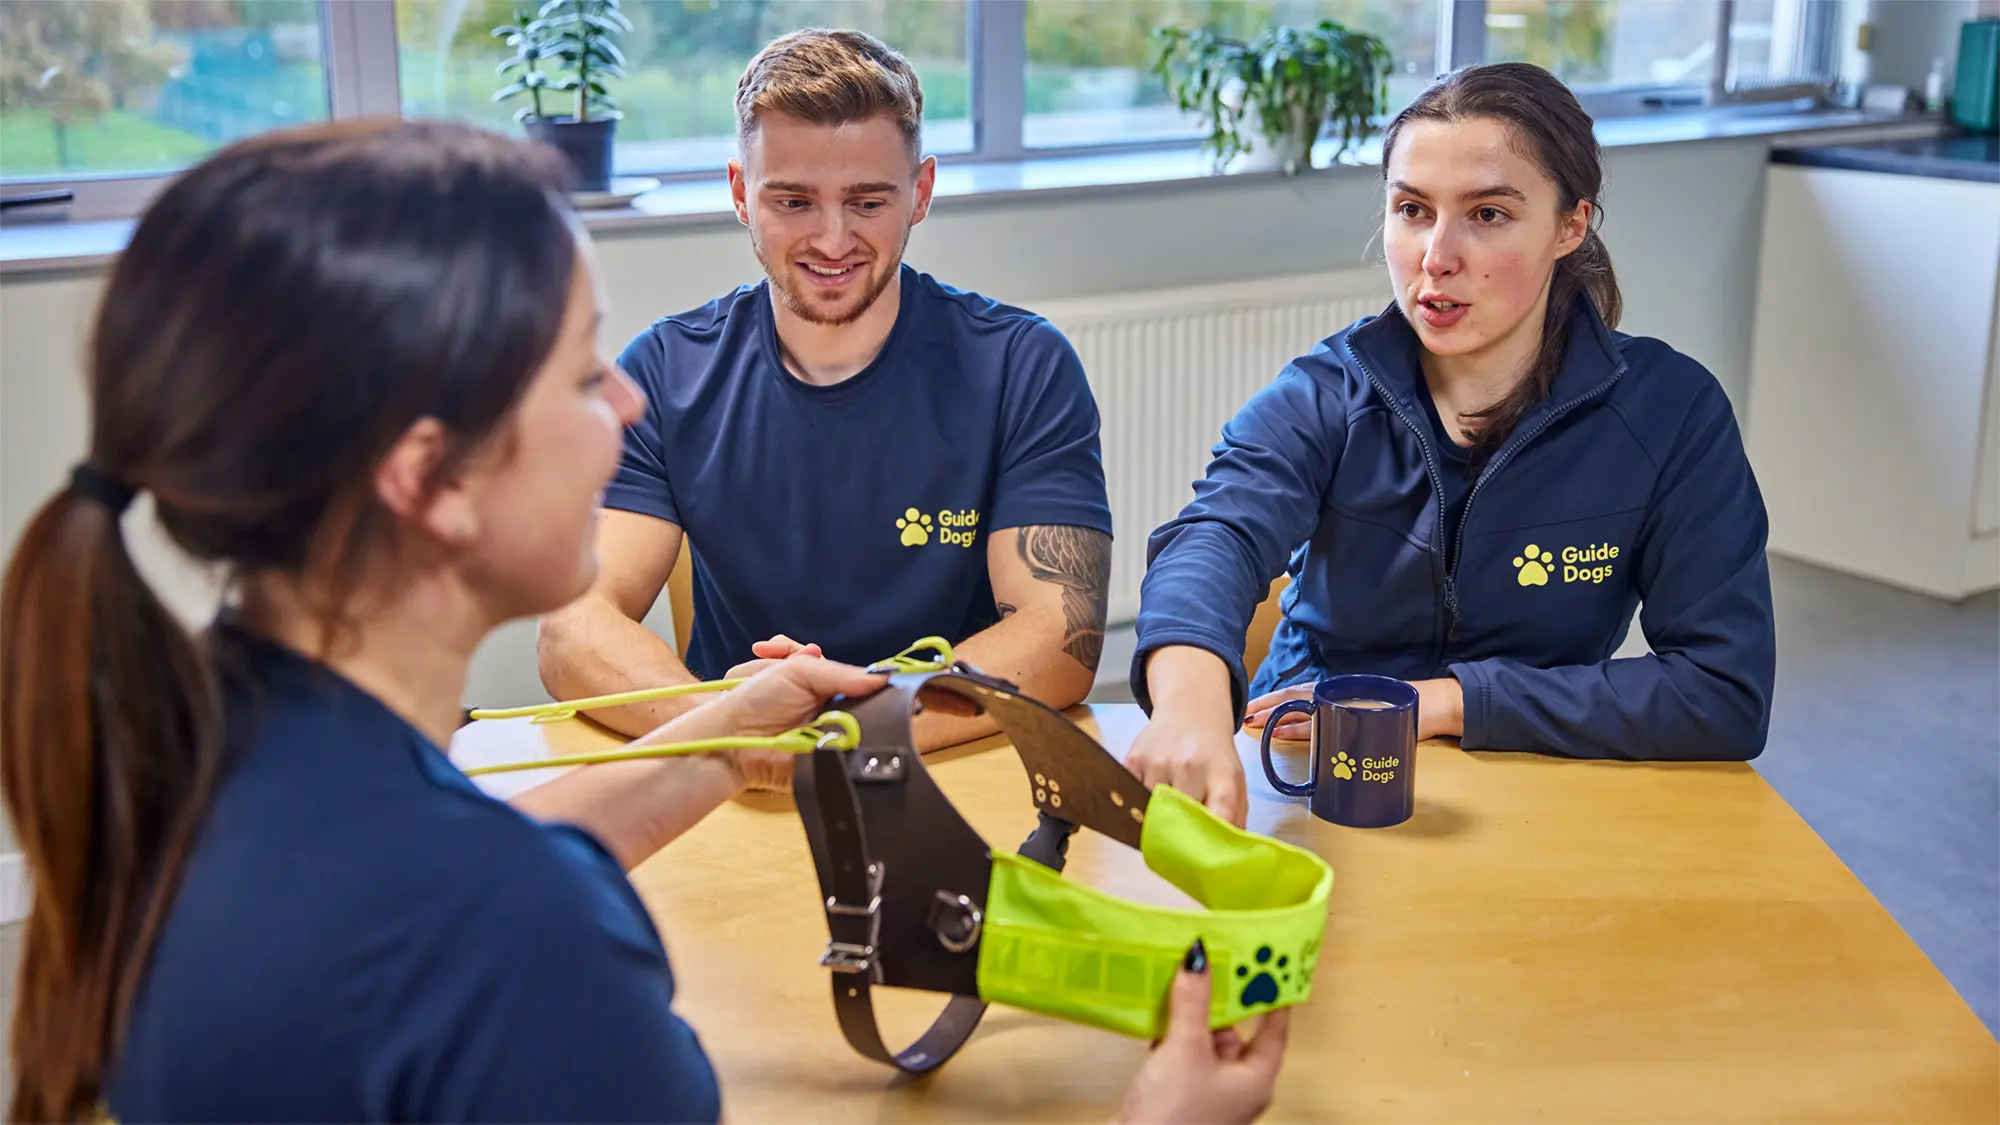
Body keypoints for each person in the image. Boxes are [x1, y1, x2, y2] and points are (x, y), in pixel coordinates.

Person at [0, 120, 1284, 1125]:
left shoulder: (202, 762)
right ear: (426, 478)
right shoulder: (525, 949)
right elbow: (495, 906)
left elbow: (487, 856)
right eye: (574, 370)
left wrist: (732, 734)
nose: (623, 401)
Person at [1124, 62, 1778, 826]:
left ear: (1571, 225)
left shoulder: (1671, 411)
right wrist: (1190, 700)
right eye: (1411, 209)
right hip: (1308, 771)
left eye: (1489, 214)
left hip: (1530, 778)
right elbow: (1215, 535)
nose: (1437, 256)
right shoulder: (1325, 392)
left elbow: (1723, 689)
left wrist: (1447, 702)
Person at [536, 29, 1114, 752]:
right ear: (743, 194)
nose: (833, 239)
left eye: (868, 202)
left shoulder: (1022, 367)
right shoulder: (664, 373)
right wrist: (735, 725)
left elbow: (1064, 638)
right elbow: (571, 626)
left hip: (946, 760)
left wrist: (847, 724)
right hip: (736, 775)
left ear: (921, 193)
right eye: (795, 201)